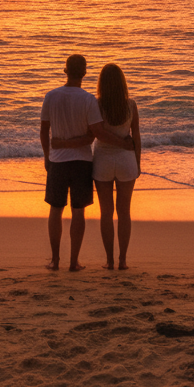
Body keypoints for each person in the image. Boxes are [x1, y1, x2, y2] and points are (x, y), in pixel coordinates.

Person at [40, 55, 133, 271]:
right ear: (84, 72)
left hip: (58, 161)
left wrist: (49, 153)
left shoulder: (51, 96)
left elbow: (44, 131)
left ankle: (55, 260)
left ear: (65, 70)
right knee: (78, 211)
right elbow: (96, 133)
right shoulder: (88, 99)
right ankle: (74, 262)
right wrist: (124, 143)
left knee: (55, 209)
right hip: (82, 161)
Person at [91, 63, 140, 270]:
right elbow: (136, 136)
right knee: (124, 212)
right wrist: (137, 163)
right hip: (126, 159)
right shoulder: (131, 105)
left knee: (106, 212)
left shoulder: (97, 105)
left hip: (102, 159)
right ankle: (123, 260)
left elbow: (96, 133)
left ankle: (109, 261)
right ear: (122, 83)